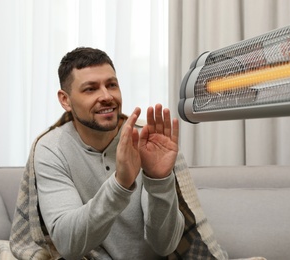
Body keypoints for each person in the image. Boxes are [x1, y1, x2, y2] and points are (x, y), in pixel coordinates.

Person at [33, 47, 185, 259]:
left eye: (111, 85)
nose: (106, 96)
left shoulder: (148, 141)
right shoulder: (51, 148)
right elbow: (68, 245)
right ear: (65, 100)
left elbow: (165, 246)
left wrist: (159, 179)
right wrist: (120, 184)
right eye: (90, 89)